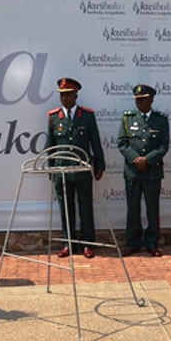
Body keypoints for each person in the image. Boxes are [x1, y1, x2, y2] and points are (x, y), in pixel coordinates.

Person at [46, 78, 105, 258]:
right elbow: (50, 144)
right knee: (65, 207)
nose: (65, 98)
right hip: (62, 170)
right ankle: (69, 243)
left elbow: (95, 141)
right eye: (62, 95)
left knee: (85, 206)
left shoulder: (86, 116)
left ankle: (87, 243)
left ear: (76, 95)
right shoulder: (54, 116)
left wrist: (99, 164)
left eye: (68, 95)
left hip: (82, 169)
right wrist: (51, 168)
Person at [117, 84, 169, 257]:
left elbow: (163, 146)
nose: (139, 103)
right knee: (132, 208)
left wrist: (147, 159)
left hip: (152, 171)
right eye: (137, 100)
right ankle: (132, 243)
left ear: (151, 99)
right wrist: (135, 159)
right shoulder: (128, 118)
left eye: (143, 99)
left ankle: (151, 243)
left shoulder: (161, 120)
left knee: (152, 209)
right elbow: (122, 143)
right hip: (133, 171)